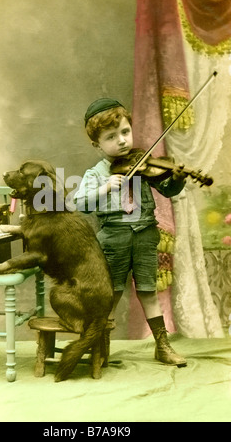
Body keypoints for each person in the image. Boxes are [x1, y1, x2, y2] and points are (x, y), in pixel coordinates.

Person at [74, 98, 187, 367]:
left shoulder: (143, 165)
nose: (122, 141)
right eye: (111, 137)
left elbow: (168, 189)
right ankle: (101, 348)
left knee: (148, 291)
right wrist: (105, 188)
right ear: (97, 144)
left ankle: (162, 346)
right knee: (110, 293)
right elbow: (79, 203)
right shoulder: (96, 174)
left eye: (125, 132)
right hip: (113, 238)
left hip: (145, 234)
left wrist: (178, 178)